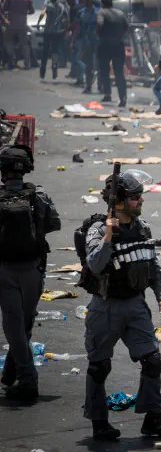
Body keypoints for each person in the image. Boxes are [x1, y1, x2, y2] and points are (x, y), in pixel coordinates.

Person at [84, 169, 161, 441]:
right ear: (119, 201)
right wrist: (108, 236)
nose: (141, 200)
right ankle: (99, 423)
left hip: (135, 305)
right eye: (136, 197)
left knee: (153, 361)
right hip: (106, 306)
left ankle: (153, 420)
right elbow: (95, 265)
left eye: (140, 196)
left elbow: (152, 264)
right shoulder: (98, 229)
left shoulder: (142, 228)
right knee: (99, 366)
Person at [0, 145, 60, 400]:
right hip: (34, 268)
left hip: (5, 270)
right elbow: (54, 223)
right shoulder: (39, 196)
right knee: (24, 324)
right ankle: (13, 373)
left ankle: (27, 379)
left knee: (13, 325)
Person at [97, 0, 128, 106]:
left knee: (104, 70)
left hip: (105, 45)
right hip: (118, 45)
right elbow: (126, 27)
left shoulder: (102, 12)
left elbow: (100, 24)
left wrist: (100, 35)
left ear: (102, 4)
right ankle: (123, 97)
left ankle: (107, 94)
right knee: (119, 72)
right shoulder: (120, 13)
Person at [36, 0, 67, 80]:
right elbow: (66, 17)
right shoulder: (62, 6)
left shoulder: (48, 6)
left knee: (45, 51)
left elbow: (42, 13)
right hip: (57, 32)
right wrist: (65, 27)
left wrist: (38, 22)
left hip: (48, 31)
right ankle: (54, 67)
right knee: (55, 51)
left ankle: (43, 70)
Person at [2, 0, 34, 70]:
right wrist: (24, 13)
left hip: (11, 23)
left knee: (7, 40)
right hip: (23, 24)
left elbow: (3, 9)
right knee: (24, 44)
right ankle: (27, 63)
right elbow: (32, 11)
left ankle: (13, 56)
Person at [77, 0, 99, 94]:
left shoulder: (98, 12)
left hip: (97, 41)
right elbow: (78, 26)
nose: (87, 2)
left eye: (89, 0)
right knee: (88, 65)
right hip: (86, 42)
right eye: (86, 0)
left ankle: (100, 85)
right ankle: (88, 86)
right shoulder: (81, 12)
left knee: (99, 64)